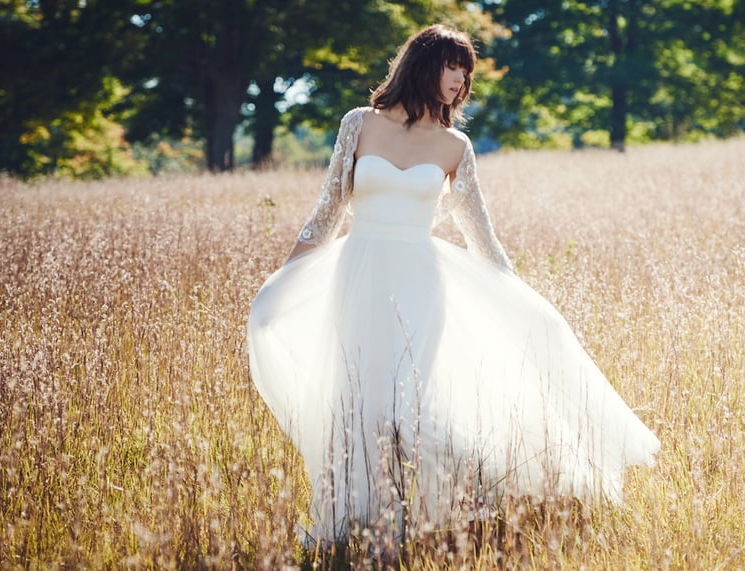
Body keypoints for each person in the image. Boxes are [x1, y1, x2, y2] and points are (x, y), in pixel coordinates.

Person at [247, 24, 659, 546]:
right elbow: (327, 210)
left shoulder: (454, 146)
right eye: (453, 65)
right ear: (423, 64)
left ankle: (440, 524)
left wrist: (520, 296)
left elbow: (479, 233)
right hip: (357, 282)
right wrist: (283, 279)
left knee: (416, 411)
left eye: (466, 71)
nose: (461, 79)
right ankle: (361, 530)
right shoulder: (359, 125)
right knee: (357, 409)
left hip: (422, 288)